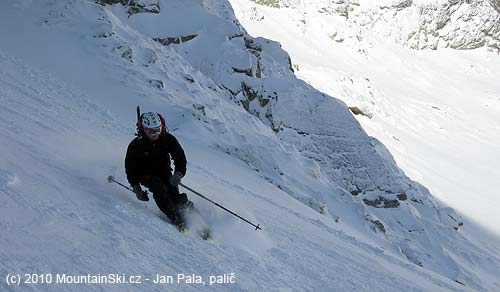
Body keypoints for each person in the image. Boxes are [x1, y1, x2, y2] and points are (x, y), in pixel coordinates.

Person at [125, 111, 190, 226]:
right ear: (143, 129)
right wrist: (136, 188)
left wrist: (178, 174)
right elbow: (130, 168)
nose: (155, 133)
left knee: (173, 191)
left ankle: (188, 210)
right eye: (151, 131)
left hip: (164, 171)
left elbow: (180, 157)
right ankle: (173, 215)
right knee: (158, 187)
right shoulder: (136, 145)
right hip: (145, 174)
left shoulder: (168, 139)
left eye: (157, 129)